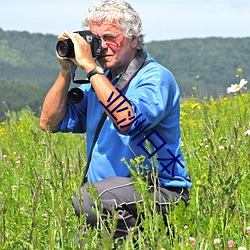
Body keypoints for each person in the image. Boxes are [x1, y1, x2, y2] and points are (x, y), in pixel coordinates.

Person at [40, 0, 192, 244]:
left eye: (110, 37)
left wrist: (90, 67)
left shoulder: (154, 77)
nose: (102, 47)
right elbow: (49, 123)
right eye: (96, 39)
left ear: (133, 39)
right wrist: (66, 70)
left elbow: (128, 121)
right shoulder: (99, 83)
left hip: (160, 191)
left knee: (88, 200)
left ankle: (146, 241)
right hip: (110, 199)